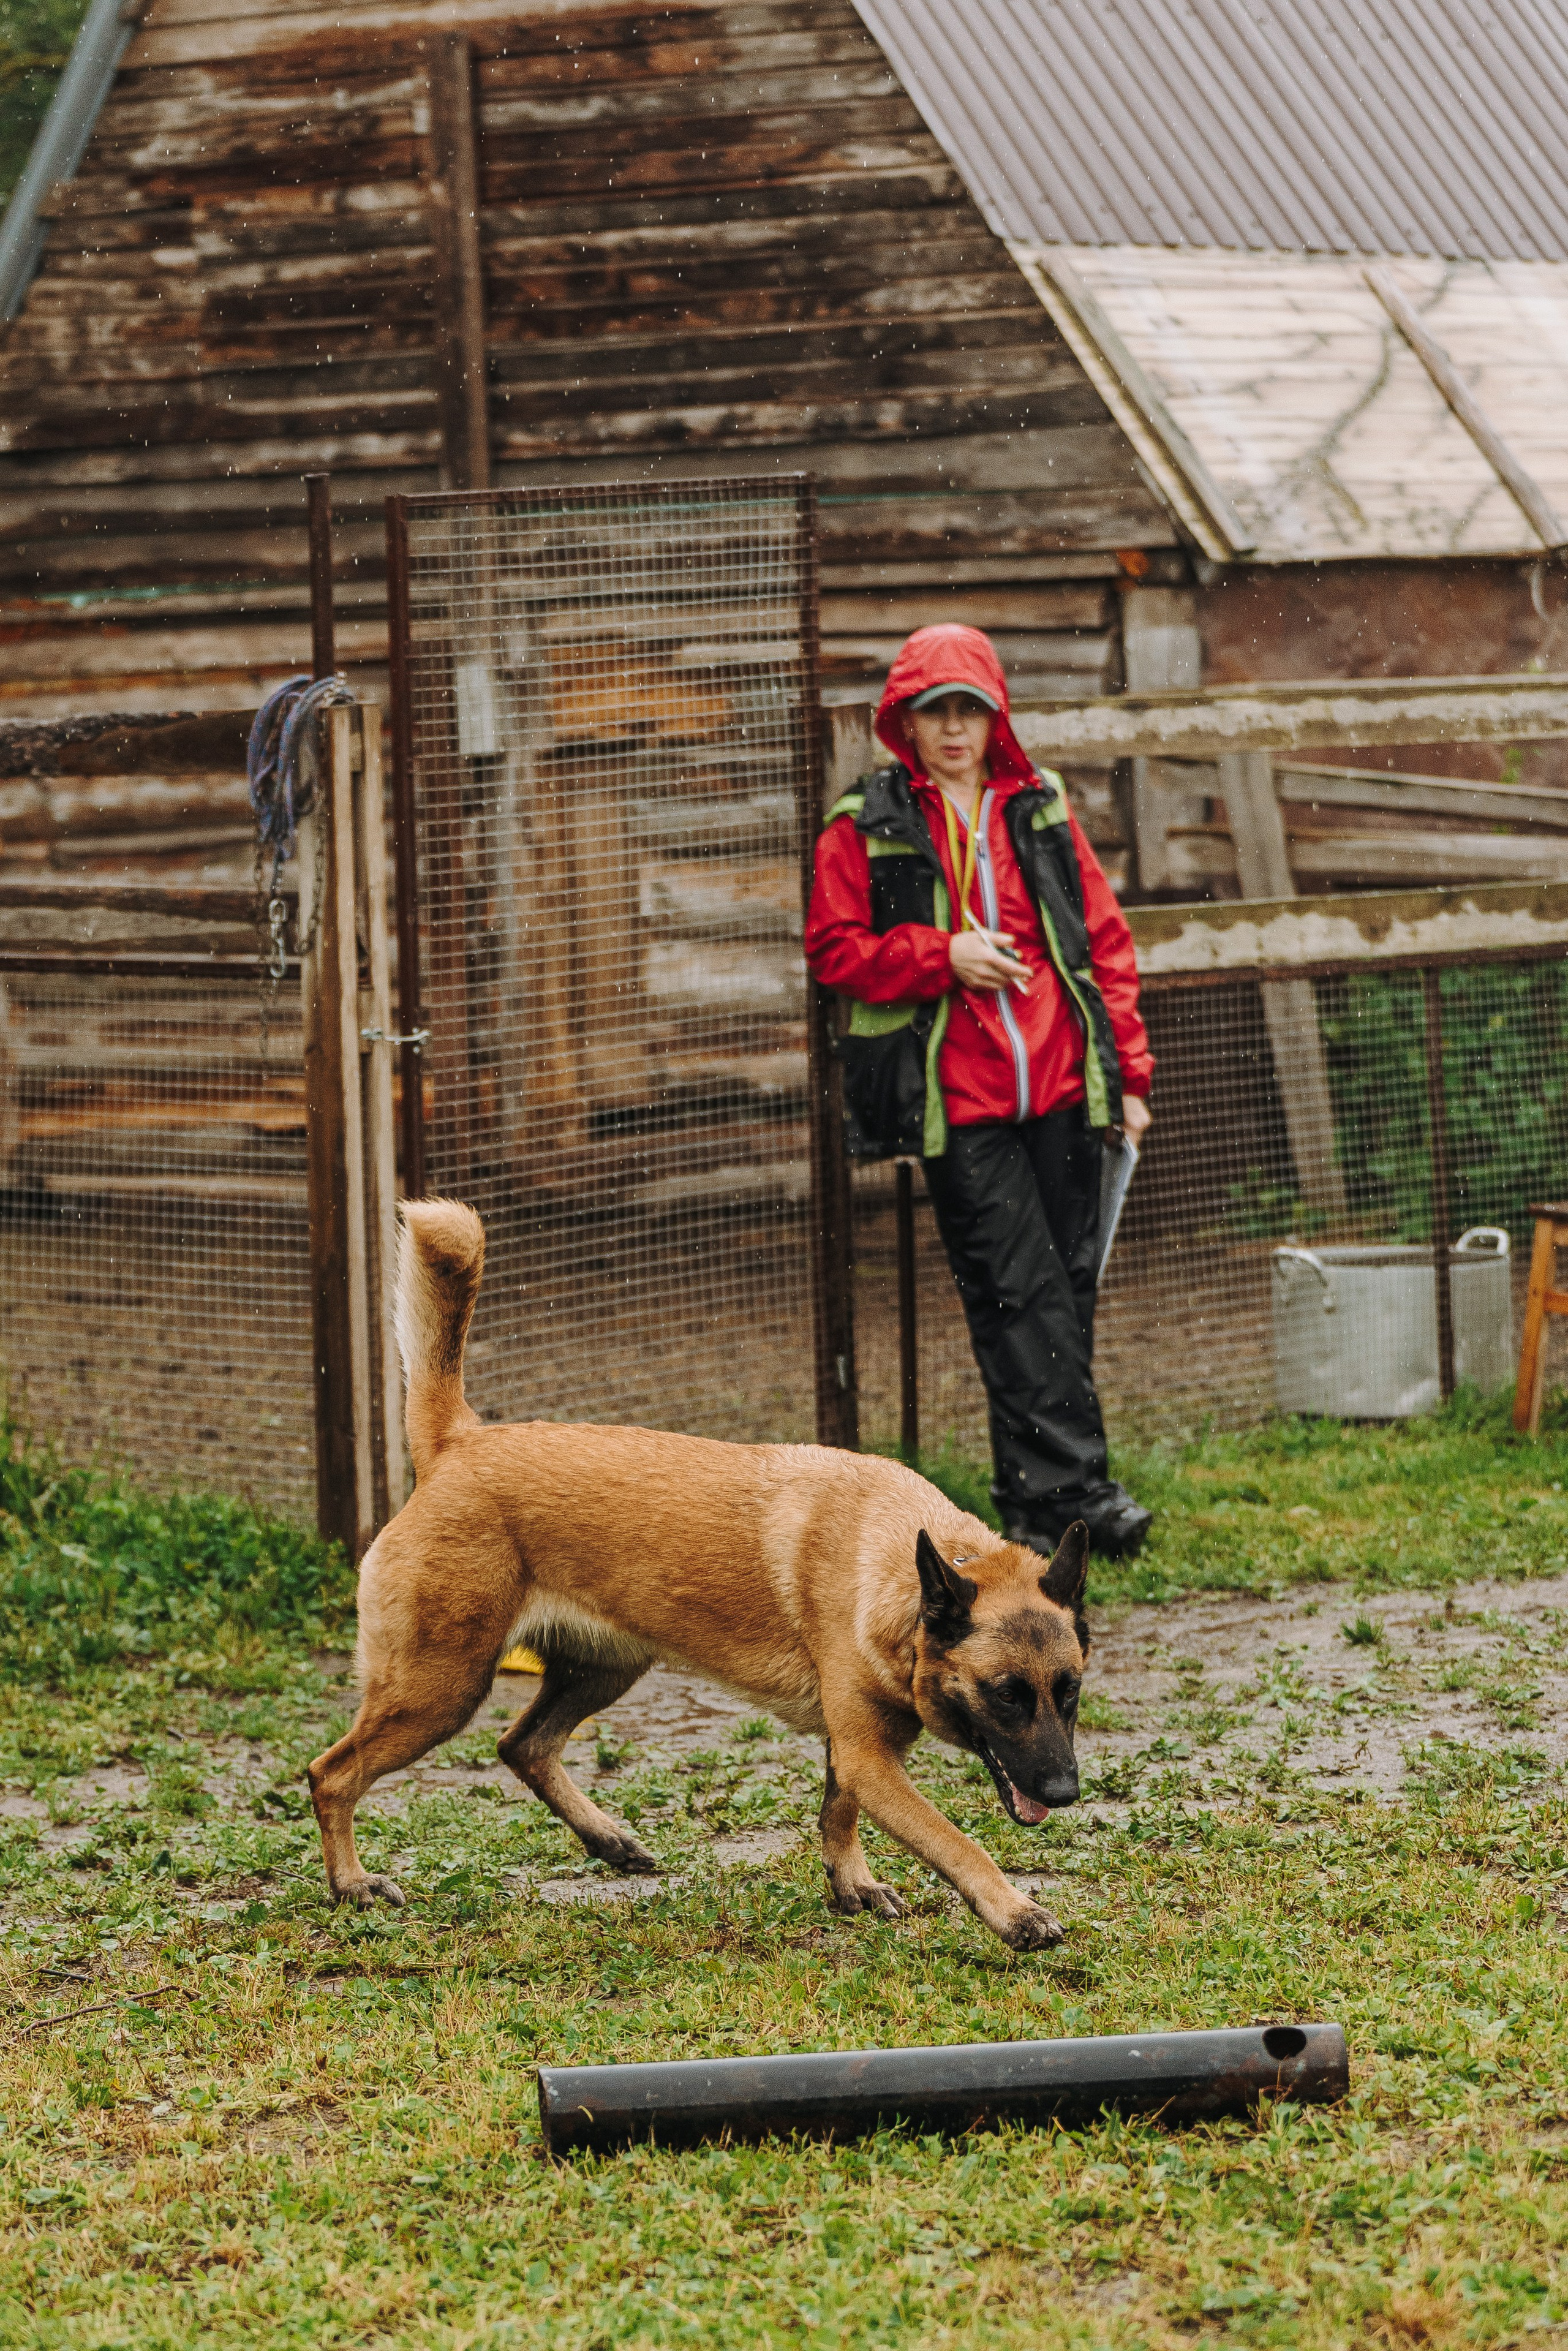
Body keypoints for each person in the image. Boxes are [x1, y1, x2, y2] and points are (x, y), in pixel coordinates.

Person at [804, 624, 1155, 1560]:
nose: (955, 728)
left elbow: (1105, 943)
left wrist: (1128, 1077)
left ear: (996, 716)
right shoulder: (865, 821)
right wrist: (943, 954)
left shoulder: (1040, 807)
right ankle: (1079, 1499)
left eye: (971, 709)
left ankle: (1040, 1499)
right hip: (957, 1102)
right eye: (936, 712)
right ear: (904, 722)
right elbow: (834, 950)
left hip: (1064, 1087)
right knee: (1018, 1288)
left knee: (1060, 1290)